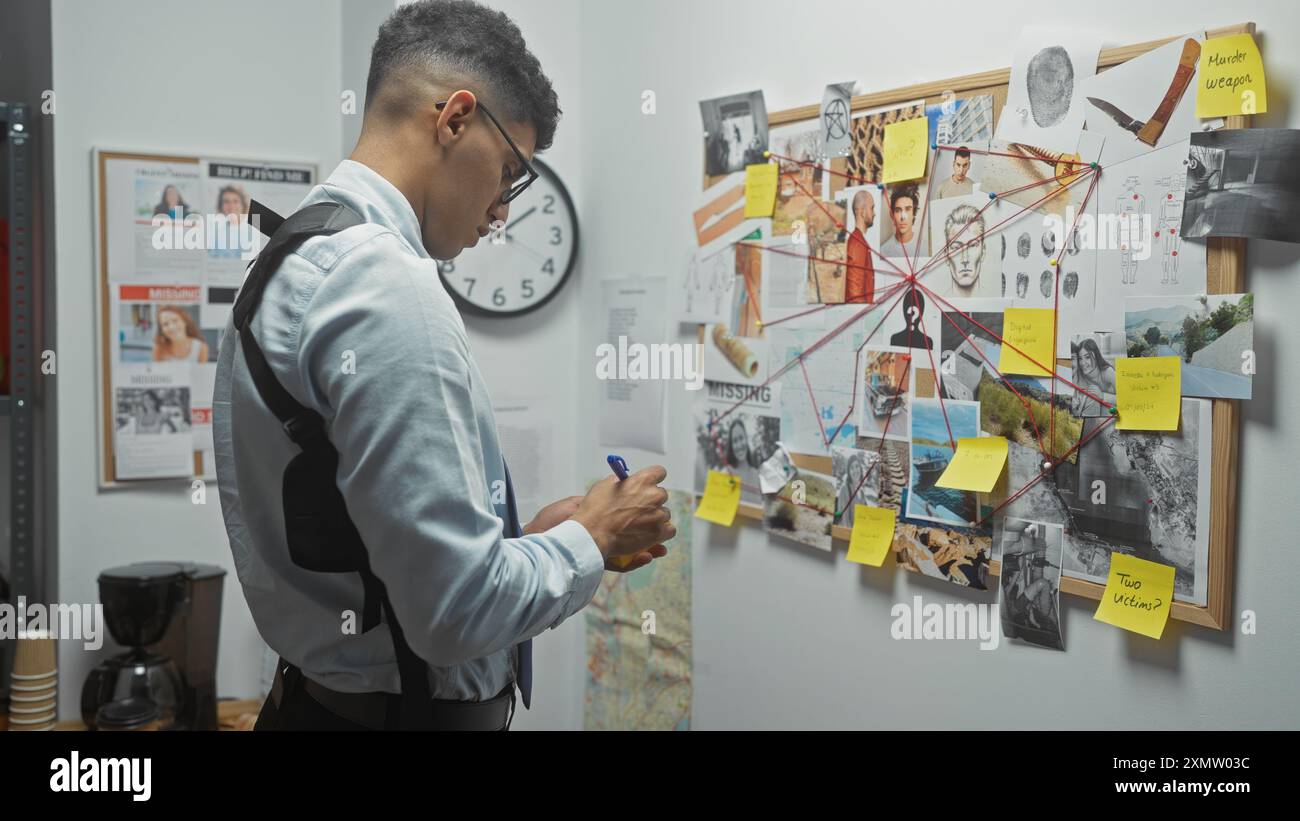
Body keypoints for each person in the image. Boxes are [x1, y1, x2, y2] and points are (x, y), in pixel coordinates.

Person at [213, 0, 674, 731]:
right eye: (512, 172)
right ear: (456, 119)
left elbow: (358, 533)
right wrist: (592, 538)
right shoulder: (384, 285)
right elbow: (453, 617)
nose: (502, 209)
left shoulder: (296, 251)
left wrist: (537, 542)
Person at [1071, 336, 1116, 416]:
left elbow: (1125, 398)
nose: (1083, 363)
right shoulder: (1079, 374)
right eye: (1080, 358)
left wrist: (1102, 395)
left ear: (1095, 356)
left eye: (1087, 357)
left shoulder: (1107, 372)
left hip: (1112, 412)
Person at [844, 189, 875, 303]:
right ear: (862, 212)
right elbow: (855, 294)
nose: (874, 213)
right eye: (872, 208)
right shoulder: (857, 243)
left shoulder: (858, 240)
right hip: (860, 315)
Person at [879, 184, 920, 259]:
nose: (902, 217)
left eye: (907, 209)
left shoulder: (926, 248)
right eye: (898, 210)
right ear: (892, 215)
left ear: (914, 213)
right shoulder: (883, 251)